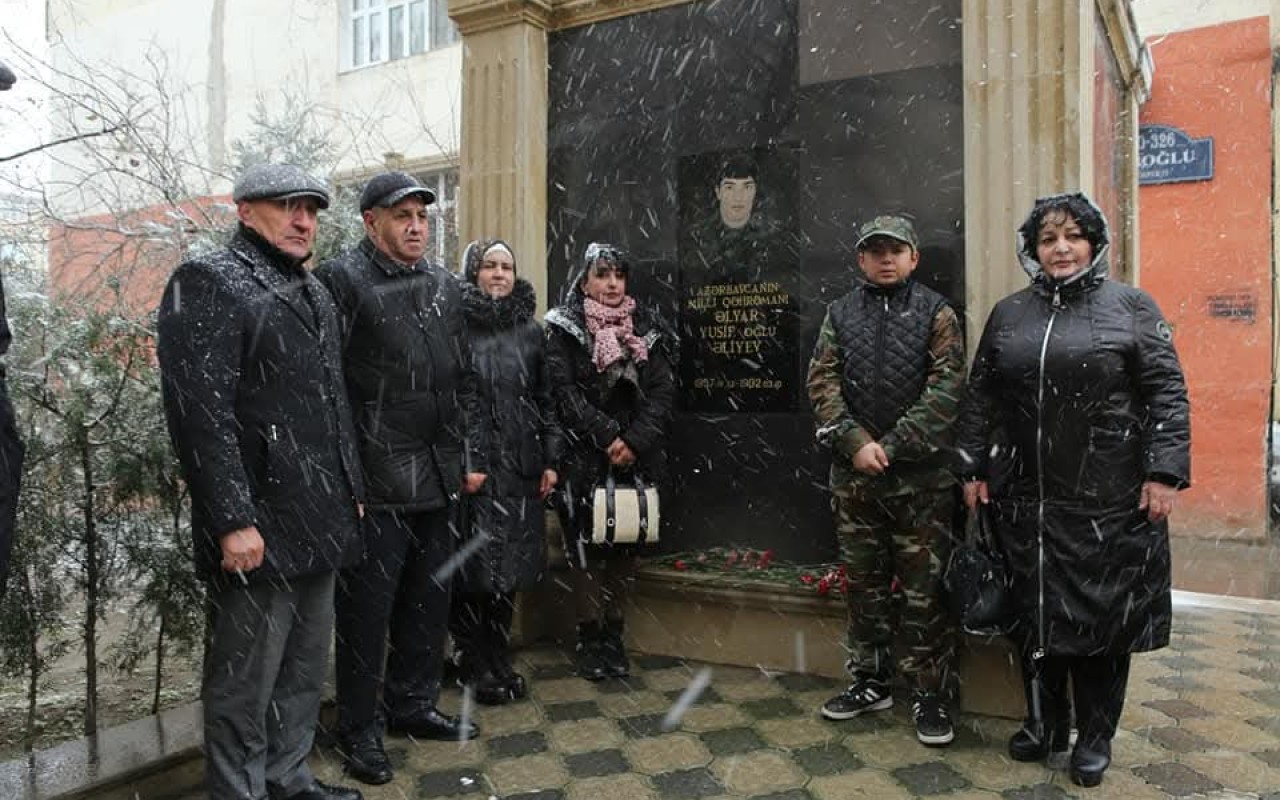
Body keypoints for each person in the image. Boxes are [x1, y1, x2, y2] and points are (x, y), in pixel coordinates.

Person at [954, 192, 1190, 788]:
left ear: (1094, 243)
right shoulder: (1009, 314)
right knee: (1033, 617)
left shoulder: (1131, 307)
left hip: (1105, 501)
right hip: (1023, 500)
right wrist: (973, 467)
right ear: (1032, 250)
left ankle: (1095, 736)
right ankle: (1045, 724)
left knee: (1099, 623)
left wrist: (1163, 472)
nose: (1060, 248)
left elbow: (1167, 392)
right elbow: (981, 396)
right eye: (1048, 239)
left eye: (1073, 236)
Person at [156, 163, 364, 800]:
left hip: (321, 512)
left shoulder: (313, 291)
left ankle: (287, 779)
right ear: (246, 210)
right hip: (259, 525)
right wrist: (231, 519)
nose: (303, 221)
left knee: (303, 669)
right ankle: (238, 792)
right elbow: (201, 414)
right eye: (287, 207)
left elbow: (333, 402)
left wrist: (351, 484)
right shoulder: (210, 280)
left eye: (311, 209)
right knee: (244, 682)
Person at [315, 171, 485, 787]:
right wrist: (347, 479)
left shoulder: (443, 284)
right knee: (366, 616)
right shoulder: (341, 280)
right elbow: (329, 385)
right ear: (370, 223)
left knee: (428, 601)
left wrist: (466, 453)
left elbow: (463, 377)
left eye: (422, 216)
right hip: (377, 481)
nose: (416, 227)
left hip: (439, 477)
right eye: (402, 216)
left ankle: (411, 705)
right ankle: (359, 730)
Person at [806, 214, 965, 747]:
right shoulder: (839, 313)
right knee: (863, 588)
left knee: (925, 594)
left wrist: (891, 447)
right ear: (861, 260)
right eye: (875, 251)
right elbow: (821, 383)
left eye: (896, 250)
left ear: (914, 257)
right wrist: (854, 442)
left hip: (921, 486)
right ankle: (871, 680)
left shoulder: (937, 313)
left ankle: (930, 692)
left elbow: (946, 390)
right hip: (855, 485)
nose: (886, 259)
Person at [544, 242, 676, 680]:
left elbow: (661, 392)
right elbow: (562, 392)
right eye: (602, 274)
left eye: (619, 274)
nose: (612, 283)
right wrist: (605, 435)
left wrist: (632, 440)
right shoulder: (564, 330)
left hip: (634, 461)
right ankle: (588, 637)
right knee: (585, 551)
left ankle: (614, 637)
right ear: (585, 282)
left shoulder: (648, 327)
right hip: (583, 458)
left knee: (624, 550)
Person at [449, 239, 563, 704]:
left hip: (519, 468)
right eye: (490, 266)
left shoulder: (531, 333)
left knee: (509, 570)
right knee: (474, 570)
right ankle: (472, 659)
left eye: (507, 266)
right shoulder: (456, 327)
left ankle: (498, 654)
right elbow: (452, 402)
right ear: (474, 272)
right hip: (475, 475)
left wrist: (551, 458)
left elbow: (545, 399)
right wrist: (466, 460)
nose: (499, 274)